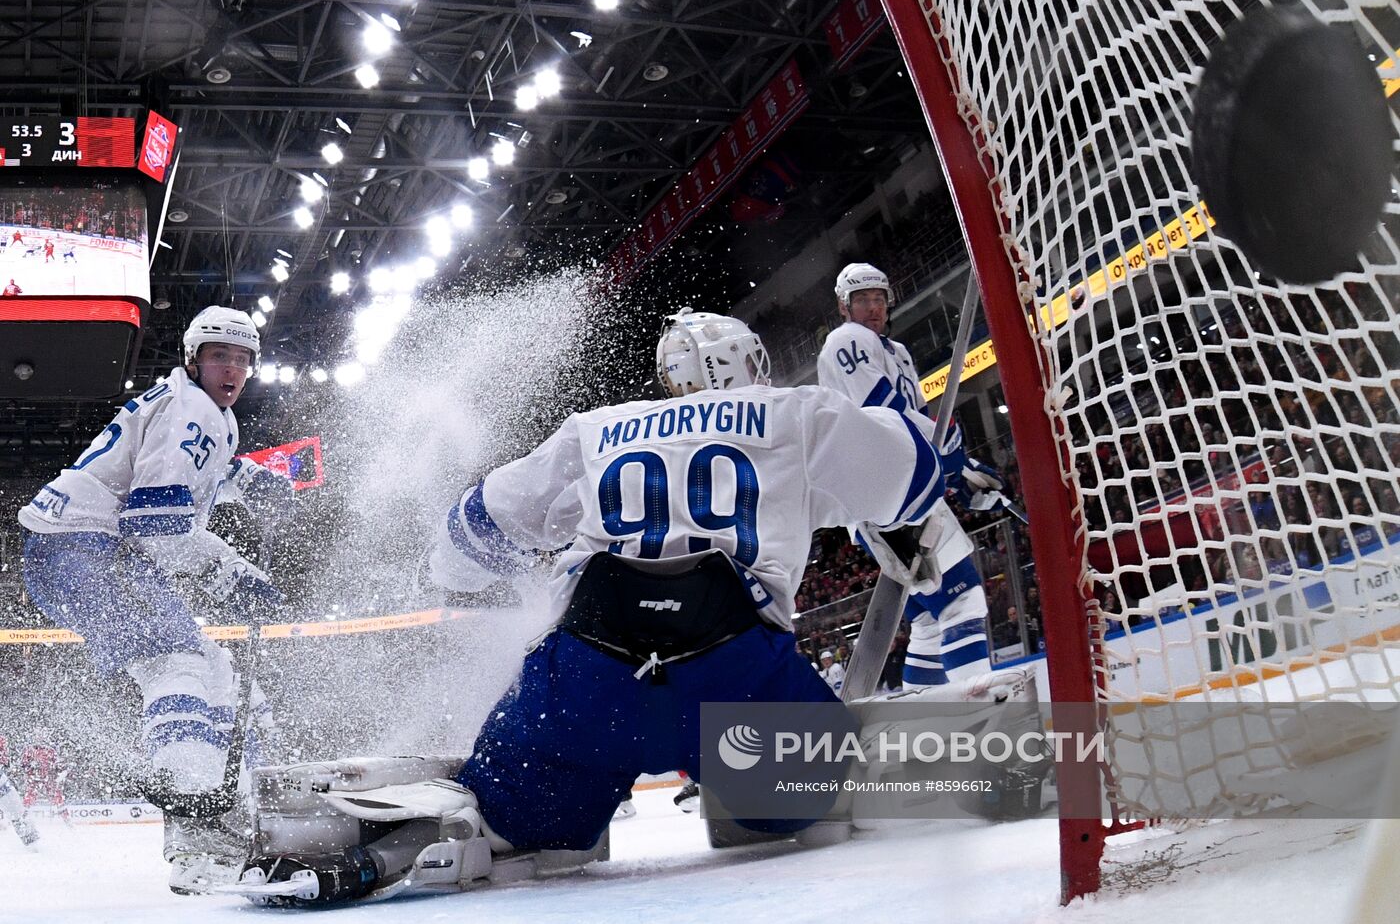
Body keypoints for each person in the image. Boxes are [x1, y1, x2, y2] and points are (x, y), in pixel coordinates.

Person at [237, 308, 953, 905]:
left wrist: (492, 574)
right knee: (819, 800)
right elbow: (915, 483)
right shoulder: (792, 414)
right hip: (739, 685)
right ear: (743, 363)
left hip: (584, 688)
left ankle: (426, 838)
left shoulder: (598, 429)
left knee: (517, 823)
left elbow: (474, 526)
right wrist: (904, 424)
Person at [17, 305, 294, 893]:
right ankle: (195, 823)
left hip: (84, 545)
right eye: (220, 355)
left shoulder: (205, 412)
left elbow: (197, 463)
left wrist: (245, 477)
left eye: (243, 359)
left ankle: (247, 806)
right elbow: (155, 521)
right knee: (179, 664)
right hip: (80, 544)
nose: (233, 369)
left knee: (219, 673)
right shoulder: (193, 406)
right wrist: (230, 571)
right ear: (193, 359)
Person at [817, 262, 1007, 690]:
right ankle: (981, 716)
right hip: (883, 490)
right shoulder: (846, 339)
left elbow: (919, 425)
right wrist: (950, 447)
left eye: (879, 299)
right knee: (961, 602)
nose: (872, 307)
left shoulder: (897, 352)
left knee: (927, 621)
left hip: (901, 490)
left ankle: (926, 716)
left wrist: (960, 475)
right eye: (862, 300)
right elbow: (884, 411)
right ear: (844, 306)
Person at [20, 733, 71, 825]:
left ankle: (67, 820)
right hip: (34, 779)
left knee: (58, 798)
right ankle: (22, 818)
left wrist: (58, 770)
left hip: (49, 779)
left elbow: (57, 764)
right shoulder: (29, 750)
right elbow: (23, 765)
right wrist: (31, 767)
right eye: (37, 737)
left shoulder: (50, 751)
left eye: (42, 737)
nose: (40, 740)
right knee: (28, 798)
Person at [0, 734, 39, 846]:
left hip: (3, 786)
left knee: (18, 815)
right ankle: (32, 842)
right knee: (18, 815)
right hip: (3, 786)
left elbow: (5, 761)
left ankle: (32, 842)